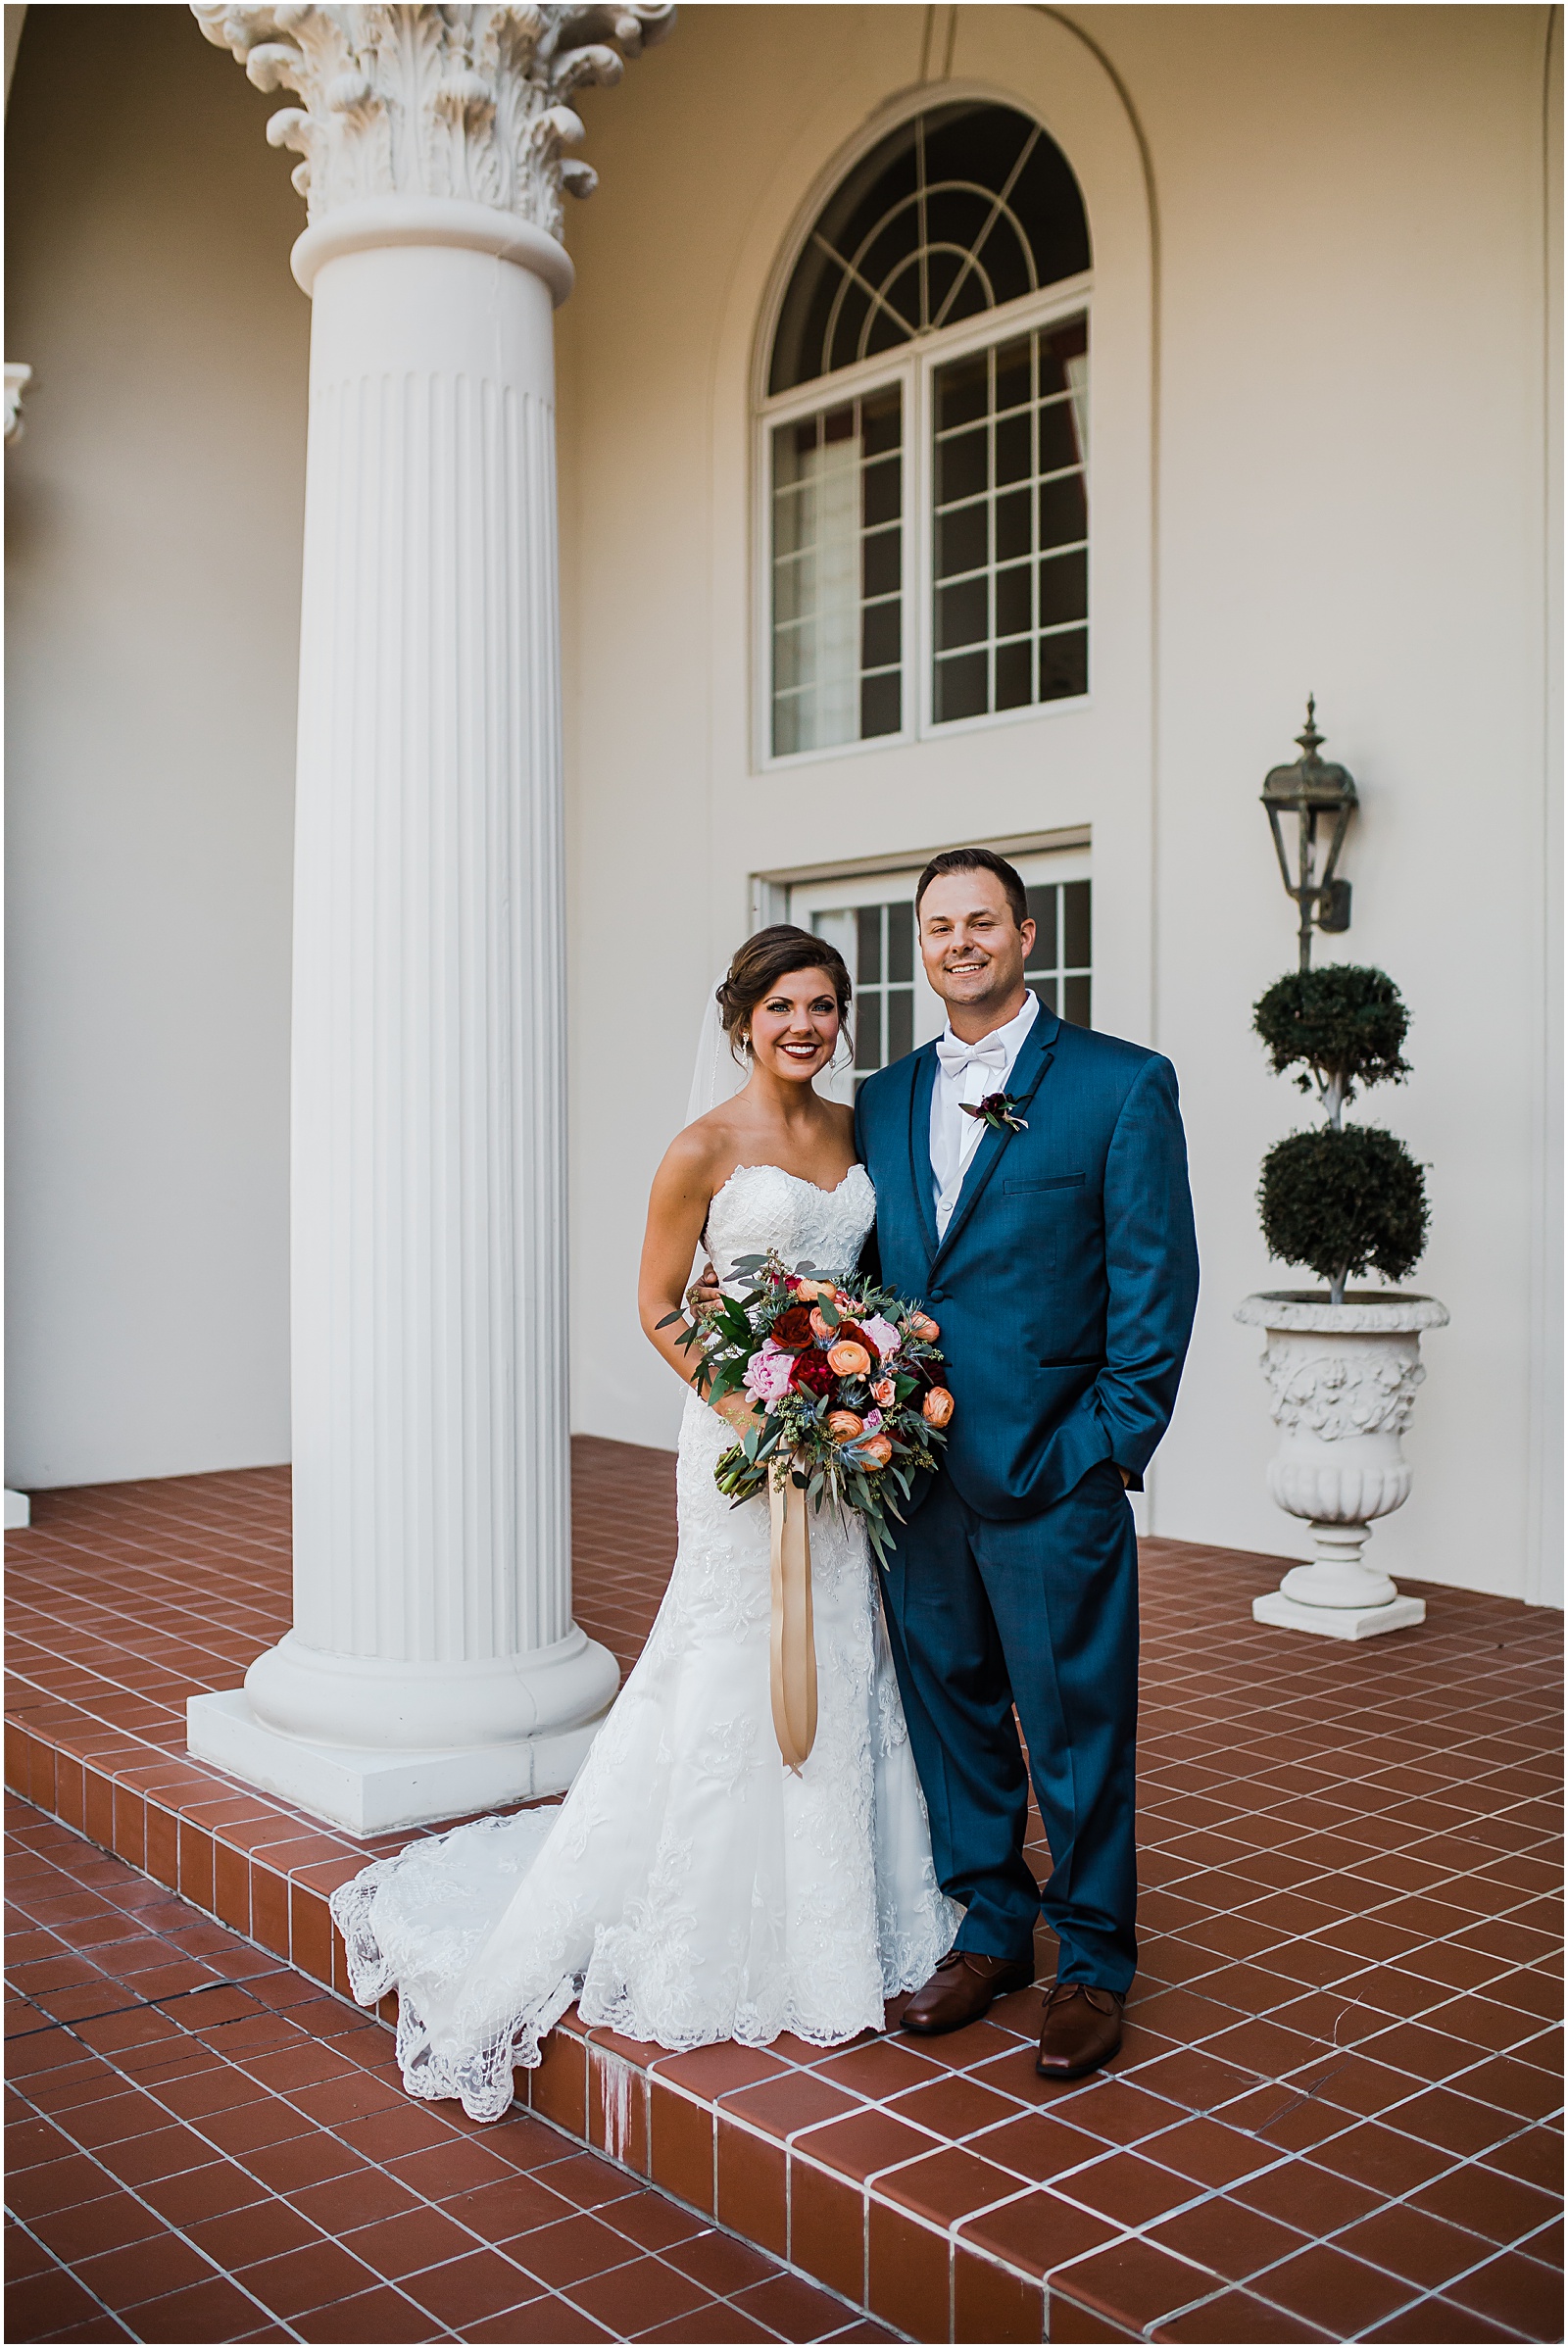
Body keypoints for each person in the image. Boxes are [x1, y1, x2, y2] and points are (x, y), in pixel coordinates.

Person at [329, 928, 957, 2122]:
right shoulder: (701, 1146)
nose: (805, 1025)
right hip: (739, 1443)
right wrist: (757, 1412)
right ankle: (701, 1912)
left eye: (823, 1005)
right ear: (742, 1018)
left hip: (839, 1444)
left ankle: (845, 1910)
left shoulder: (856, 1131)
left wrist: (856, 1396)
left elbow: (867, 1285)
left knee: (842, 1642)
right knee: (727, 1652)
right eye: (782, 1005)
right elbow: (658, 1304)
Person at [855, 847, 1199, 2081]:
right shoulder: (883, 1094)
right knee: (949, 1711)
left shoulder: (1118, 1082)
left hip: (1054, 1470)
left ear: (1025, 934)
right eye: (938, 926)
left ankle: (1094, 1958)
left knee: (1075, 1723)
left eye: (981, 921)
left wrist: (1106, 1445)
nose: (959, 942)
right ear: (922, 946)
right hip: (912, 1471)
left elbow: (1154, 1280)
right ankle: (992, 1925)